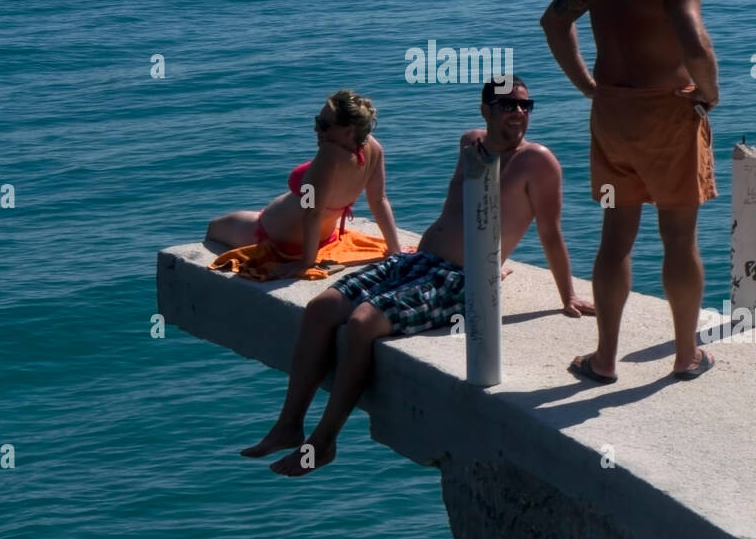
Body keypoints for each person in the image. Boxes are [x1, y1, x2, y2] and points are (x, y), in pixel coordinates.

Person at [242, 76, 594, 475]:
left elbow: (550, 231)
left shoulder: (539, 162)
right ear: (486, 110)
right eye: (507, 105)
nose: (517, 113)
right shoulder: (470, 143)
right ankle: (289, 425)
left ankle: (323, 442)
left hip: (459, 278)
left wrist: (567, 295)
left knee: (361, 324)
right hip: (417, 261)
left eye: (524, 106)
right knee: (322, 306)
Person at [540, 0, 719, 383]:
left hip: (613, 116)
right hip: (666, 115)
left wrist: (586, 84)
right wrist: (709, 94)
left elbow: (554, 21)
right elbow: (696, 47)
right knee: (679, 238)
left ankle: (604, 360)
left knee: (616, 237)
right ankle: (685, 356)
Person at [206, 90, 400, 276]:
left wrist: (306, 264)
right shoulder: (374, 149)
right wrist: (394, 250)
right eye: (317, 121)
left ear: (349, 131)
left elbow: (312, 211)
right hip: (324, 238)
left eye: (324, 125)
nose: (316, 128)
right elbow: (378, 200)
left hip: (274, 236)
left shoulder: (329, 155)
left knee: (214, 228)